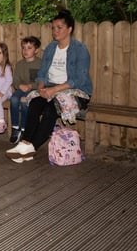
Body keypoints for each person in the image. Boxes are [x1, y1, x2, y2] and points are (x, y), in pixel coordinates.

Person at [6, 9, 92, 163]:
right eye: (53, 28)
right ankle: (25, 143)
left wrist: (54, 90)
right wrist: (41, 88)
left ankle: (30, 147)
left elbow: (79, 79)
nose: (55, 31)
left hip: (75, 92)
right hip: (50, 88)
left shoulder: (79, 49)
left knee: (51, 109)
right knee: (34, 103)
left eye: (59, 27)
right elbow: (42, 75)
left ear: (69, 29)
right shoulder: (51, 49)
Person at [9, 36, 42, 144]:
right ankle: (15, 128)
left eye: (29, 48)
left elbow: (39, 82)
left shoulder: (39, 64)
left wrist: (30, 86)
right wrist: (19, 86)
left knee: (24, 102)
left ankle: (24, 129)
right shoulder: (19, 64)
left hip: (34, 90)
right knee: (13, 99)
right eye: (24, 48)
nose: (25, 50)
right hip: (22, 89)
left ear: (36, 50)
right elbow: (15, 81)